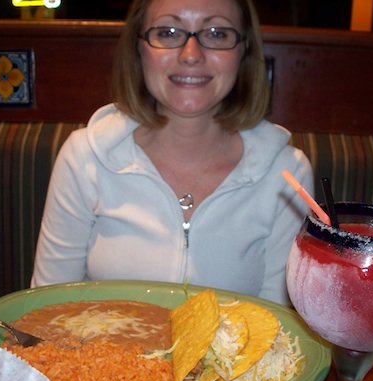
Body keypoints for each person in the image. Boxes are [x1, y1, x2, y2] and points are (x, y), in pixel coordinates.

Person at [31, 0, 313, 306]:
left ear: (243, 51)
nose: (190, 55)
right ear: (138, 49)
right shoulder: (83, 156)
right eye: (167, 32)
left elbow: (278, 331)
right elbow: (46, 312)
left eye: (217, 33)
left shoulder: (288, 175)